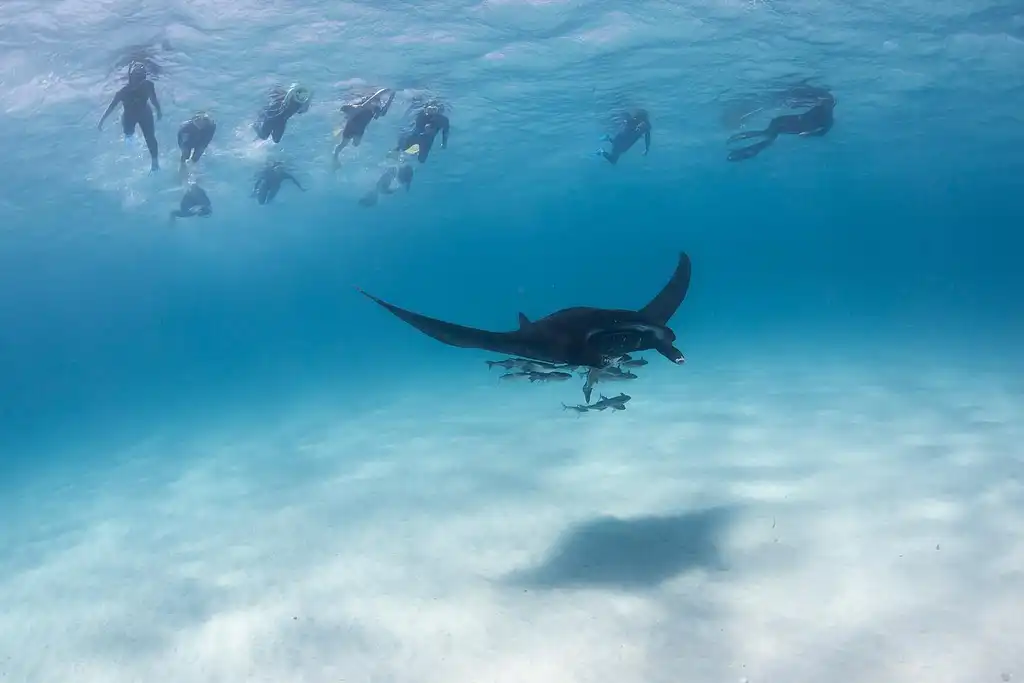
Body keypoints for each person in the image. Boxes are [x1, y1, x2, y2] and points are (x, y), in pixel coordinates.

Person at [726, 91, 836, 162]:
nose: (820, 101)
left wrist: (809, 134)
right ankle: (753, 146)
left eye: (823, 101)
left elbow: (823, 131)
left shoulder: (827, 115)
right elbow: (822, 129)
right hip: (797, 123)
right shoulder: (823, 110)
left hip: (800, 126)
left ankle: (753, 147)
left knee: (771, 132)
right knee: (772, 130)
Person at [97, 61, 163, 172]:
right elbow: (111, 107)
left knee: (150, 138)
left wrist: (159, 110)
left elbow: (154, 99)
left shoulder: (148, 85)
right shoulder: (123, 92)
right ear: (130, 78)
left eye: (141, 78)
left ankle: (155, 163)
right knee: (129, 135)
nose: (138, 82)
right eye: (136, 78)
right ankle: (131, 154)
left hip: (145, 113)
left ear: (144, 77)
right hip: (129, 117)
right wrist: (102, 121)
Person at [332, 88, 396, 169]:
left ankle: (340, 147)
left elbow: (383, 111)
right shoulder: (362, 107)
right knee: (343, 144)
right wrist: (386, 90)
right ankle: (334, 157)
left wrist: (391, 97)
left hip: (359, 129)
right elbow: (376, 96)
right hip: (350, 128)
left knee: (355, 144)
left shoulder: (374, 110)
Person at [177, 111, 217, 180]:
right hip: (187, 138)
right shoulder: (185, 128)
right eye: (198, 123)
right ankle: (181, 169)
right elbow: (184, 143)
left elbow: (207, 140)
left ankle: (192, 170)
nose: (200, 125)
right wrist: (185, 152)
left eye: (202, 123)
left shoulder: (211, 126)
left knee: (197, 156)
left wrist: (201, 148)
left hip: (202, 137)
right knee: (186, 154)